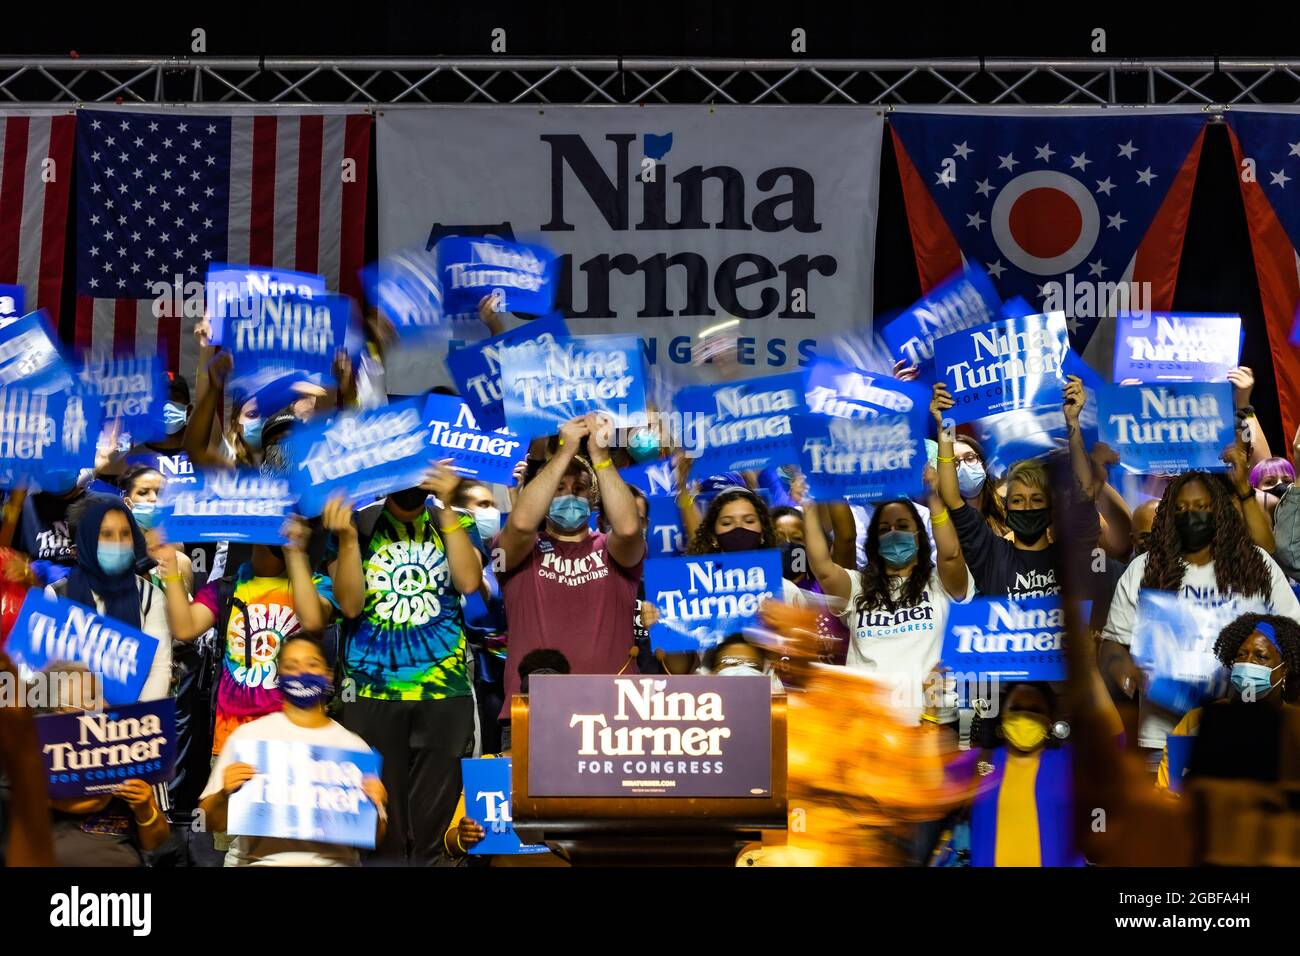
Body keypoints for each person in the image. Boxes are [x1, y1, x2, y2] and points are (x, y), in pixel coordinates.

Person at [327, 466, 482, 866]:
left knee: (433, 831)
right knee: (380, 833)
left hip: (443, 693)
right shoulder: (357, 525)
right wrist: (346, 539)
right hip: (371, 694)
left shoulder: (460, 520)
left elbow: (468, 582)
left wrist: (447, 509)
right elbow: (348, 605)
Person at [1101, 471, 1300, 755]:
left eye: (1201, 506)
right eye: (1181, 508)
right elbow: (1111, 646)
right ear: (1169, 514)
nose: (1190, 514)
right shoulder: (1143, 570)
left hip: (1247, 734)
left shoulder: (1258, 565)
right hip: (1164, 740)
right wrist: (1126, 673)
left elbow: (1292, 633)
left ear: (1217, 510)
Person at [494, 414, 645, 746]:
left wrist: (601, 457)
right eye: (558, 488)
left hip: (614, 713)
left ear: (593, 500)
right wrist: (563, 453)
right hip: (532, 710)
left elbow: (630, 529)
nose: (569, 495)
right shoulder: (516, 553)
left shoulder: (612, 550)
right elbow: (520, 526)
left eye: (578, 489)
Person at [198, 634, 387, 866]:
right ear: (279, 677)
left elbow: (375, 838)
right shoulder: (249, 738)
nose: (302, 673)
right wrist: (223, 794)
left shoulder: (354, 748)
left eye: (312, 664)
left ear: (328, 675)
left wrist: (376, 807)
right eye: (291, 666)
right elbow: (207, 822)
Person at [800, 472, 972, 726]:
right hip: (866, 728)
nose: (893, 533)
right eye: (884, 529)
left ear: (919, 536)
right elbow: (822, 567)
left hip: (929, 722)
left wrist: (933, 498)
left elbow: (951, 554)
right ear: (874, 543)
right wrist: (810, 507)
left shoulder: (938, 584)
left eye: (902, 527)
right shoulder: (858, 587)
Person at [932, 376, 1101, 600]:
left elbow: (1085, 494)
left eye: (1037, 500)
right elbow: (952, 498)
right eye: (1018, 500)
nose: (1027, 507)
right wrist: (946, 425)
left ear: (1051, 508)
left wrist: (1073, 421)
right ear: (1007, 507)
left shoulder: (1071, 555)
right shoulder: (991, 555)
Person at [444, 649, 570, 867]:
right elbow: (450, 840)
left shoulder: (584, 770)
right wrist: (464, 838)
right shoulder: (490, 766)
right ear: (521, 711)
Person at [39, 662, 171, 866]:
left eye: (102, 695)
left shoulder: (136, 748)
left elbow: (156, 842)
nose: (105, 704)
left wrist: (146, 808)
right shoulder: (33, 756)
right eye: (91, 698)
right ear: (60, 711)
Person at [48, 496, 174, 702]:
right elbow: (48, 670)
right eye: (105, 535)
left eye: (125, 534)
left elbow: (158, 669)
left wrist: (132, 720)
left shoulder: (150, 597)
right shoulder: (57, 596)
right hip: (73, 720)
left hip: (134, 723)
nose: (117, 544)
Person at [967, 682, 1083, 867]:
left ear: (1050, 719)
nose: (1025, 716)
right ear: (1002, 715)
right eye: (1016, 708)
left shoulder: (1070, 762)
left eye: (1035, 709)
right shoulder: (979, 763)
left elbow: (1116, 743)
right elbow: (929, 782)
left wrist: (1088, 669)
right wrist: (930, 714)